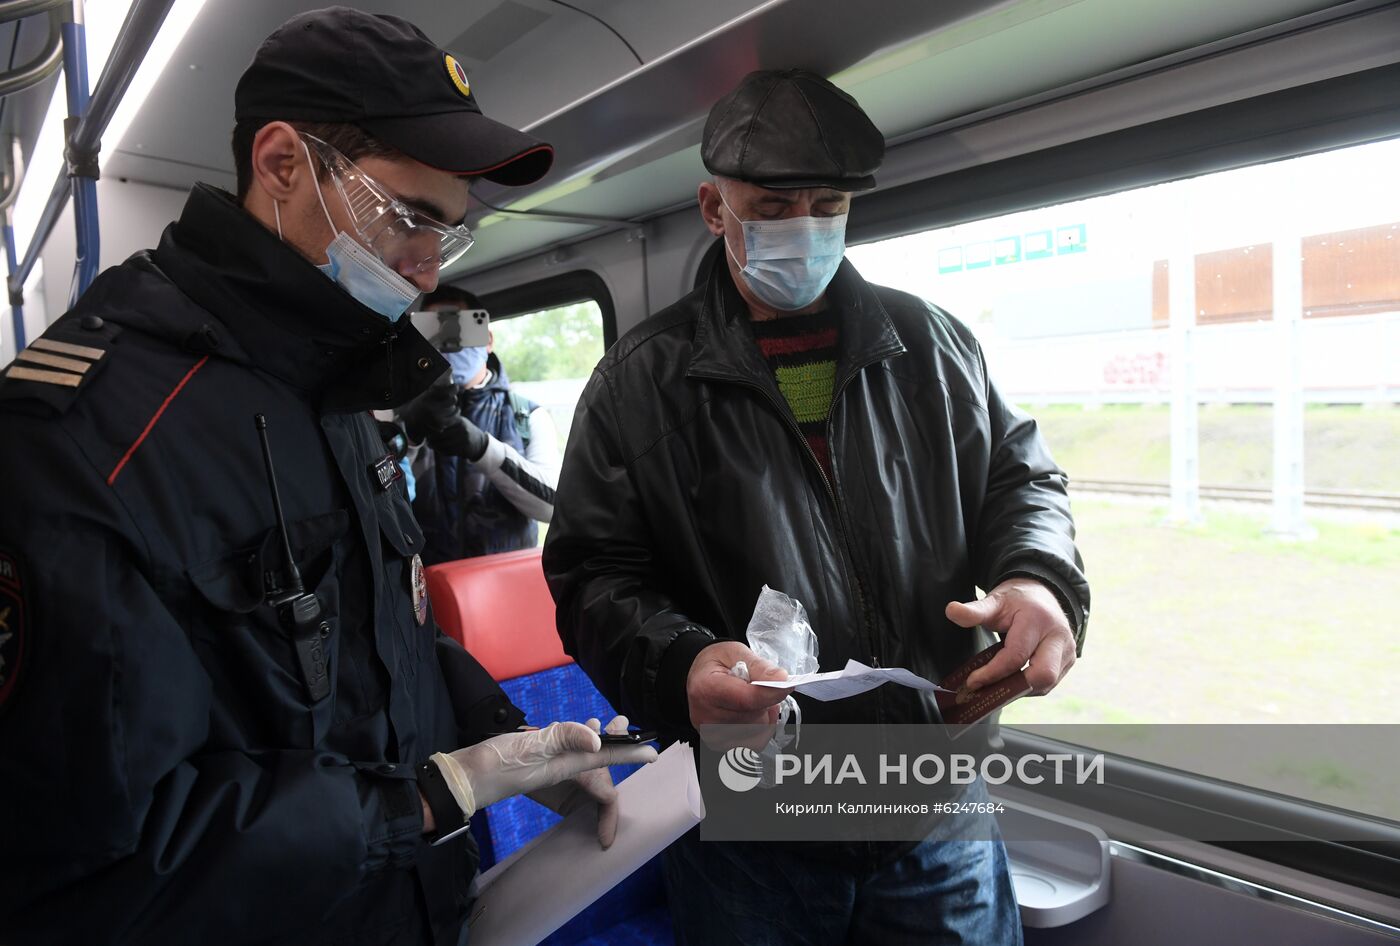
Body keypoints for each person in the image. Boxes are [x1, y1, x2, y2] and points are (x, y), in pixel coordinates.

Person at [0, 9, 653, 945]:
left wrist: (501, 732)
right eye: (411, 218)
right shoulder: (83, 438)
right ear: (280, 165)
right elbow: (90, 848)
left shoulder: (340, 380)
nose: (429, 273)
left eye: (449, 234)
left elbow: (378, 637)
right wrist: (427, 801)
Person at [542, 68, 1090, 944]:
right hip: (752, 820)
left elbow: (1023, 484)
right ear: (713, 209)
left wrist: (1039, 581)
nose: (804, 229)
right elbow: (592, 577)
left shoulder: (934, 348)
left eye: (828, 204)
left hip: (931, 801)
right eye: (772, 207)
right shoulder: (636, 386)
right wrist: (681, 666)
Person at [398, 285, 560, 564]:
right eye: (433, 334)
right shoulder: (401, 414)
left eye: (457, 331)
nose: (447, 346)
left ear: (487, 340)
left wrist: (484, 449)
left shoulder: (526, 415)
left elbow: (553, 507)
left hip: (501, 586)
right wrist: (408, 439)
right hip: (426, 587)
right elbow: (378, 504)